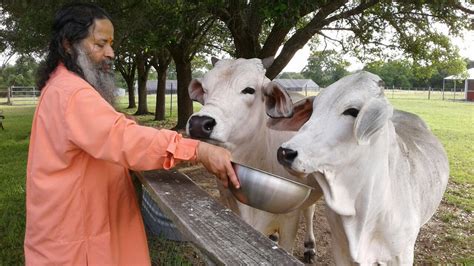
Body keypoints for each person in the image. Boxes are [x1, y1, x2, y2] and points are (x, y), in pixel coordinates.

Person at [24, 3, 239, 265]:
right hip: (79, 239)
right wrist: (197, 149)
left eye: (111, 43)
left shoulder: (62, 86)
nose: (111, 52)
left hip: (76, 224)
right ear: (69, 44)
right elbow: (122, 138)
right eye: (100, 44)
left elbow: (106, 130)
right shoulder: (73, 93)